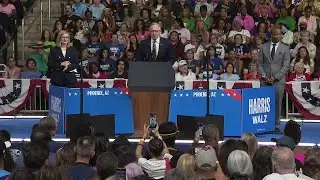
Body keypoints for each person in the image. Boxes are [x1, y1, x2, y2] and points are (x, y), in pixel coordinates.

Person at [258, 27, 290, 133]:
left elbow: (286, 66)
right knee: (264, 104)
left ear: (281, 35)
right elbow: (260, 64)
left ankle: (276, 125)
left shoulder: (285, 48)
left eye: (278, 34)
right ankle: (264, 124)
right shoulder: (263, 47)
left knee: (277, 103)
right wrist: (263, 75)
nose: (277, 36)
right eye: (274, 34)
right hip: (264, 81)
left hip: (278, 82)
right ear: (271, 35)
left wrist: (275, 77)